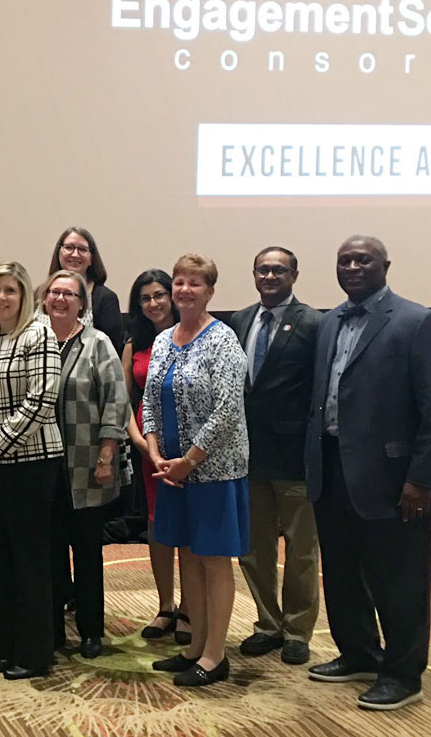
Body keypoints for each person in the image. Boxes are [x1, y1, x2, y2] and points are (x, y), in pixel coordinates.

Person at [304, 235, 431, 711]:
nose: (351, 266)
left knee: (400, 580)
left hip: (393, 479)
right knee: (344, 571)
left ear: (385, 265)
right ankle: (359, 653)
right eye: (343, 260)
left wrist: (422, 478)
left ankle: (403, 674)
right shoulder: (328, 323)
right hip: (331, 468)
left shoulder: (417, 321)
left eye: (362, 259)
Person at [143, 254, 249, 687]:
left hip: (213, 470)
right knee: (188, 554)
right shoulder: (166, 338)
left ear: (210, 291)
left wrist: (189, 462)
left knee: (213, 560)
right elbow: (149, 398)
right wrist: (153, 451)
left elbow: (227, 410)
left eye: (195, 283)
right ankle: (193, 646)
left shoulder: (223, 340)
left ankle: (215, 654)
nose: (184, 290)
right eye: (179, 282)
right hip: (170, 470)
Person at [0, 261, 63, 681]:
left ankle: (35, 654)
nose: (2, 298)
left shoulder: (39, 334)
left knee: (29, 559)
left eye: (11, 290)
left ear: (25, 296)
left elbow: (42, 401)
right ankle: (8, 647)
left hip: (31, 464)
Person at [229, 247, 321, 666]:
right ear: (253, 274)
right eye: (263, 269)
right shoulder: (241, 320)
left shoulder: (314, 323)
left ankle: (298, 630)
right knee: (254, 548)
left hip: (294, 457)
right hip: (248, 455)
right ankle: (268, 624)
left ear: (294, 275)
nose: (270, 275)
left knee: (301, 550)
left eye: (278, 270)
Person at [42, 270, 129, 660]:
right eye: (54, 292)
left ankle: (92, 631)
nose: (60, 299)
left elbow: (115, 400)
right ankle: (53, 630)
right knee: (50, 551)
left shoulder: (98, 343)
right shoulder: (34, 339)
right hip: (41, 467)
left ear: (82, 302)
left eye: (69, 294)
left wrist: (107, 454)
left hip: (87, 466)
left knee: (89, 553)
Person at [123, 269, 191, 646]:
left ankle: (190, 608)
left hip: (188, 450)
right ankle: (165, 606)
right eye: (145, 298)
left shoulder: (192, 336)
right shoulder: (135, 343)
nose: (154, 303)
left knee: (188, 526)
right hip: (148, 448)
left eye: (160, 295)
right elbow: (123, 401)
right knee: (157, 526)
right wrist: (140, 442)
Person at [42, 227, 123, 351]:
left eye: (82, 249)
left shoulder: (105, 298)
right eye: (69, 247)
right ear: (59, 253)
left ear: (91, 258)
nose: (75, 254)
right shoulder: (38, 294)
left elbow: (111, 352)